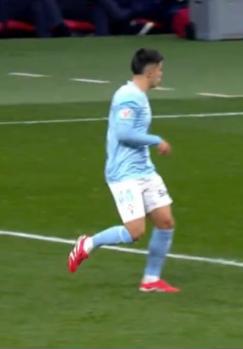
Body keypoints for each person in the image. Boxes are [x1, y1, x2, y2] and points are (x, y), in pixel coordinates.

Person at [67, 48, 180, 293]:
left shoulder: (139, 95)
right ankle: (89, 243)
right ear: (149, 71)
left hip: (144, 170)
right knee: (134, 231)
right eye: (160, 69)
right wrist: (156, 140)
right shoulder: (127, 97)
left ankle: (151, 280)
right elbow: (124, 133)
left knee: (165, 221)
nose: (161, 74)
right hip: (124, 173)